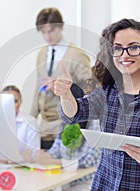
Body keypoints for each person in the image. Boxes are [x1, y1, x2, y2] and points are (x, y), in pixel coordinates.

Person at [54, 18, 140, 190]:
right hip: (106, 185)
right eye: (117, 48)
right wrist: (65, 94)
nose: (125, 55)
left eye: (133, 47)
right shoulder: (106, 93)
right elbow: (74, 114)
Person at [30, 7, 91, 149]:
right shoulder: (42, 53)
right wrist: (31, 118)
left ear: (60, 27)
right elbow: (37, 87)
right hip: (44, 125)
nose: (47, 36)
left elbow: (92, 88)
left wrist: (65, 86)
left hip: (65, 124)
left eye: (51, 31)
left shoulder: (76, 55)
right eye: (43, 32)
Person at [24, 84, 100, 191]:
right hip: (65, 179)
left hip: (85, 182)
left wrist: (54, 162)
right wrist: (40, 156)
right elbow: (56, 150)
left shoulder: (94, 123)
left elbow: (89, 161)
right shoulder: (66, 122)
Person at [0, 85, 40, 164]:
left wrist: (8, 160)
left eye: (14, 101)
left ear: (20, 102)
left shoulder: (29, 122)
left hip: (20, 168)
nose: (10, 105)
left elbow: (33, 153)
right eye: (6, 101)